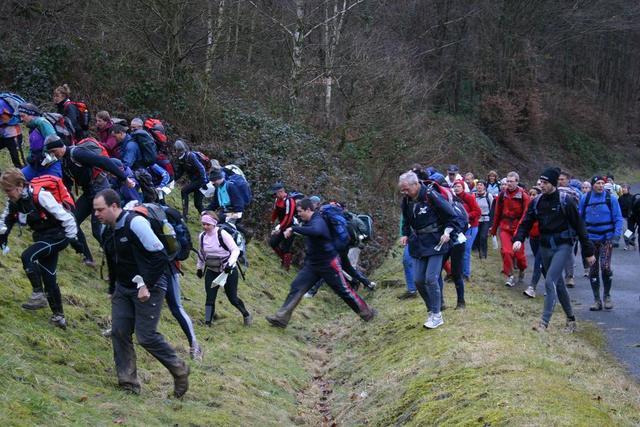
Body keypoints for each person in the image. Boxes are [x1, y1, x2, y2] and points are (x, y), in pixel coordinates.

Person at [94, 189, 190, 397]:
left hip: (151, 285)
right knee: (119, 332)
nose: (96, 214)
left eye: (100, 209)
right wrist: (112, 289)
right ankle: (128, 383)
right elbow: (112, 260)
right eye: (95, 210)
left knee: (146, 336)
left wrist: (146, 285)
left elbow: (160, 256)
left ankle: (179, 369)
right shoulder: (106, 230)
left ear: (114, 206)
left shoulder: (136, 223)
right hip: (123, 287)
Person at [266, 198, 376, 328]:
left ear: (308, 210)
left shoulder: (318, 221)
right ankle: (281, 318)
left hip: (329, 263)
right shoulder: (309, 221)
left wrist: (293, 228)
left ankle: (368, 314)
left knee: (344, 291)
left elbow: (316, 231)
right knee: (297, 286)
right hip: (313, 264)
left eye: (300, 211)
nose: (298, 214)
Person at [513, 167, 595, 332]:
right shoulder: (537, 201)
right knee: (558, 284)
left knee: (550, 280)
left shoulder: (566, 201)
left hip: (563, 245)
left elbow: (580, 226)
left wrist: (588, 252)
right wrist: (519, 239)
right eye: (541, 182)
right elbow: (526, 222)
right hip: (545, 246)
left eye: (545, 183)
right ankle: (571, 320)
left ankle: (544, 323)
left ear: (553, 183)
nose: (542, 185)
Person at [0, 169, 77, 328]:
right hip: (43, 237)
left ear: (20, 186)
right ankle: (59, 317)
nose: (7, 194)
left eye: (8, 190)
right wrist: (3, 236)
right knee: (48, 276)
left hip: (58, 235)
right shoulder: (14, 201)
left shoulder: (40, 195)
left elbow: (65, 216)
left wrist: (71, 237)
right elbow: (6, 219)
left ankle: (38, 294)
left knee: (27, 256)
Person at [45, 135, 136, 266]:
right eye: (51, 153)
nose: (53, 155)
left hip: (101, 190)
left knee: (97, 231)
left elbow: (104, 162)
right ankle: (88, 258)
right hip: (89, 192)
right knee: (72, 220)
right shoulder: (63, 161)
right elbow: (66, 183)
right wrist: (65, 201)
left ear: (59, 146)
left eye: (53, 151)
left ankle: (124, 260)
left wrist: (124, 178)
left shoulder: (76, 153)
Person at [399, 171, 457, 329]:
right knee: (418, 280)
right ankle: (431, 311)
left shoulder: (431, 195)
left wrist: (447, 232)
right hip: (418, 243)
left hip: (437, 241)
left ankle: (437, 315)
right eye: (402, 190)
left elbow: (451, 215)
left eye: (406, 189)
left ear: (416, 184)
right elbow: (406, 220)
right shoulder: (406, 200)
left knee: (431, 278)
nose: (404, 192)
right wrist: (405, 234)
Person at [196, 212, 252, 326]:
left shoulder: (222, 234)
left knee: (233, 299)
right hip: (212, 271)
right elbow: (201, 253)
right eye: (203, 224)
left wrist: (229, 265)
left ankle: (246, 315)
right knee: (210, 298)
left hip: (228, 272)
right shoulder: (202, 236)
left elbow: (235, 250)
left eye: (208, 224)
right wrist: (199, 268)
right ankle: (207, 322)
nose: (205, 226)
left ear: (214, 224)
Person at [579, 176, 623, 311]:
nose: (600, 186)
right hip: (590, 239)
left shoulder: (611, 199)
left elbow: (618, 218)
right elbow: (580, 218)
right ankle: (596, 300)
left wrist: (616, 236)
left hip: (606, 238)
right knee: (593, 268)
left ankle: (607, 296)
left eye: (602, 183)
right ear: (592, 185)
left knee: (605, 267)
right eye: (598, 183)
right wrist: (579, 235)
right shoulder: (585, 199)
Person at [490, 171, 530, 286]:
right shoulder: (502, 195)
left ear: (517, 182)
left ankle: (522, 269)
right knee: (506, 252)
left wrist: (522, 231)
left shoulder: (524, 196)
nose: (509, 184)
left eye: (511, 181)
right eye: (507, 181)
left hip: (518, 228)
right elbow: (497, 213)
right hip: (505, 227)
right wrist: (494, 229)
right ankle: (510, 275)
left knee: (519, 256)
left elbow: (526, 215)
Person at [17, 103, 63, 180]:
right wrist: (30, 157)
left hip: (50, 166)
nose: (21, 119)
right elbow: (34, 147)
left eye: (23, 116)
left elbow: (53, 141)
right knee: (15, 179)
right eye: (20, 116)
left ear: (31, 115)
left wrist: (43, 155)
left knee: (51, 187)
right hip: (36, 165)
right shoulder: (33, 127)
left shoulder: (42, 123)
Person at [452, 180, 481, 279]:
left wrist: (466, 216)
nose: (456, 188)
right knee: (457, 250)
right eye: (455, 186)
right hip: (459, 228)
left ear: (463, 188)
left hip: (471, 227)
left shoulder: (469, 197)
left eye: (459, 186)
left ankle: (465, 274)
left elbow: (478, 211)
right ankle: (457, 273)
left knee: (465, 250)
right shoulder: (452, 198)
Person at [557, 172, 581, 288]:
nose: (560, 181)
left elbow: (577, 211)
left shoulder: (574, 193)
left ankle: (569, 276)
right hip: (555, 225)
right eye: (559, 179)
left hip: (569, 226)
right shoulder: (554, 192)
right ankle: (556, 276)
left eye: (562, 179)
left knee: (568, 252)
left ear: (568, 180)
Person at [173, 139, 207, 219]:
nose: (177, 153)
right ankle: (207, 219)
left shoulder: (191, 156)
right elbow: (180, 172)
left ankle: (185, 216)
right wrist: (173, 180)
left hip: (201, 180)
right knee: (198, 204)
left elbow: (201, 168)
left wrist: (204, 181)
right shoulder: (181, 159)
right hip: (195, 180)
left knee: (184, 191)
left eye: (178, 151)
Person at [268, 182, 297, 271]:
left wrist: (279, 227)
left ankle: (286, 267)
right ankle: (283, 259)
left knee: (286, 247)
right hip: (282, 225)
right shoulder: (277, 200)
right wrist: (272, 220)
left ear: (281, 191)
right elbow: (275, 211)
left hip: (291, 226)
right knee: (273, 243)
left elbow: (288, 216)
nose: (274, 195)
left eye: (275, 193)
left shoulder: (289, 201)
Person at [523, 186, 544, 298]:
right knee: (542, 263)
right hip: (533, 237)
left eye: (534, 195)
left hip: (543, 238)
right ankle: (552, 284)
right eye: (530, 194)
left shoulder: (543, 206)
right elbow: (525, 221)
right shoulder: (529, 207)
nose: (531, 197)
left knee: (538, 261)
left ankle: (532, 287)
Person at [0, 95, 25, 167]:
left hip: (13, 135)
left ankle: (23, 173)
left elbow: (5, 118)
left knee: (18, 161)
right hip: (3, 134)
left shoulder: (1, 103)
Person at [474, 180, 493, 259]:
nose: (479, 186)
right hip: (476, 219)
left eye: (481, 185)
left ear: (484, 187)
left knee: (483, 236)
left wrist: (491, 223)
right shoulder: (473, 195)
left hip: (486, 219)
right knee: (477, 236)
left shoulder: (489, 196)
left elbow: (492, 209)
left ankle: (483, 253)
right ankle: (477, 251)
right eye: (478, 185)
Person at [618, 184, 635, 250]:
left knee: (631, 231)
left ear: (628, 189)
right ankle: (627, 245)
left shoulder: (632, 197)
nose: (623, 189)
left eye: (625, 188)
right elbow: (618, 208)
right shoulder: (620, 198)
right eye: (622, 188)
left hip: (632, 218)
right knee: (626, 232)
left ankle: (632, 242)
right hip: (623, 217)